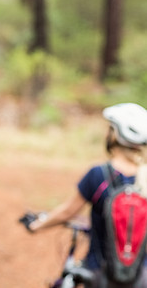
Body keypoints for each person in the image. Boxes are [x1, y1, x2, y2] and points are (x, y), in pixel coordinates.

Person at [20, 103, 147, 288]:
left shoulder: (99, 174)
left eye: (110, 129)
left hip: (98, 274)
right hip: (140, 277)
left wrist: (36, 225)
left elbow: (67, 212)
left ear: (116, 135)